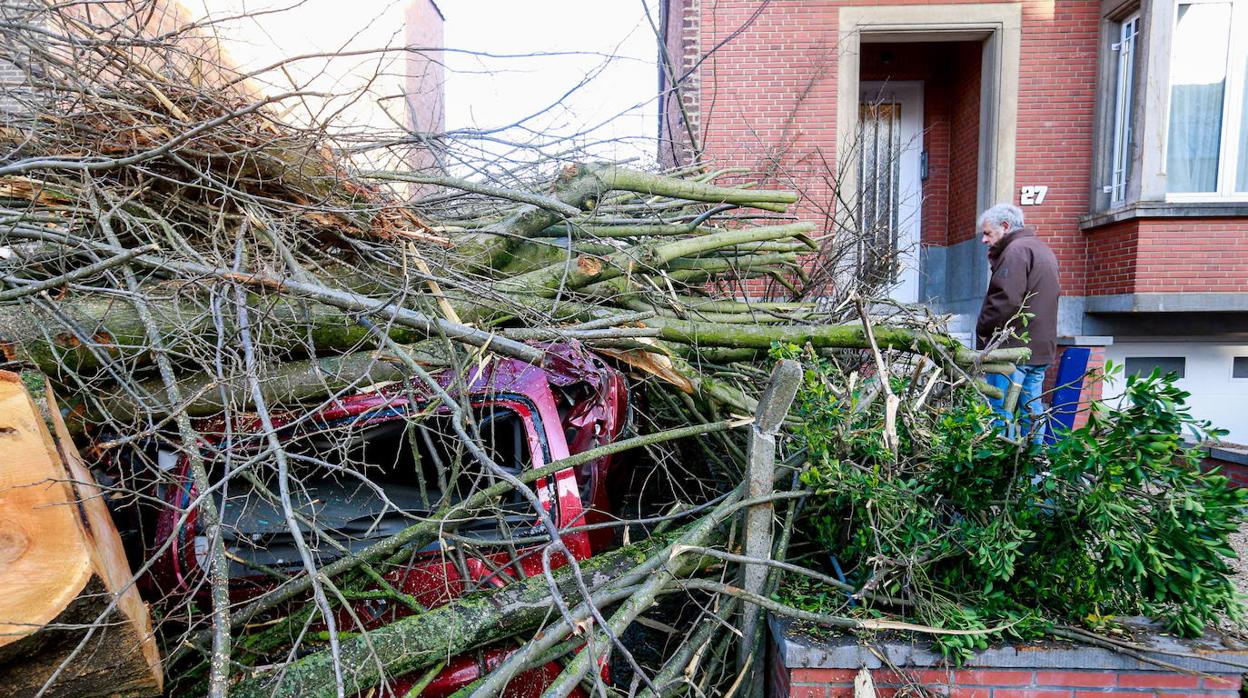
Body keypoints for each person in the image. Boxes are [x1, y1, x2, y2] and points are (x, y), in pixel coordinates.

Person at [975, 203, 1060, 444]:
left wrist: (982, 330)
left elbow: (1004, 300)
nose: (984, 240)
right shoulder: (1042, 250)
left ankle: (998, 470)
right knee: (1032, 413)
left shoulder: (1015, 251)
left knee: (1000, 413)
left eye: (988, 233)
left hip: (1012, 350)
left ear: (1005, 226)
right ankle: (1031, 472)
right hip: (1040, 349)